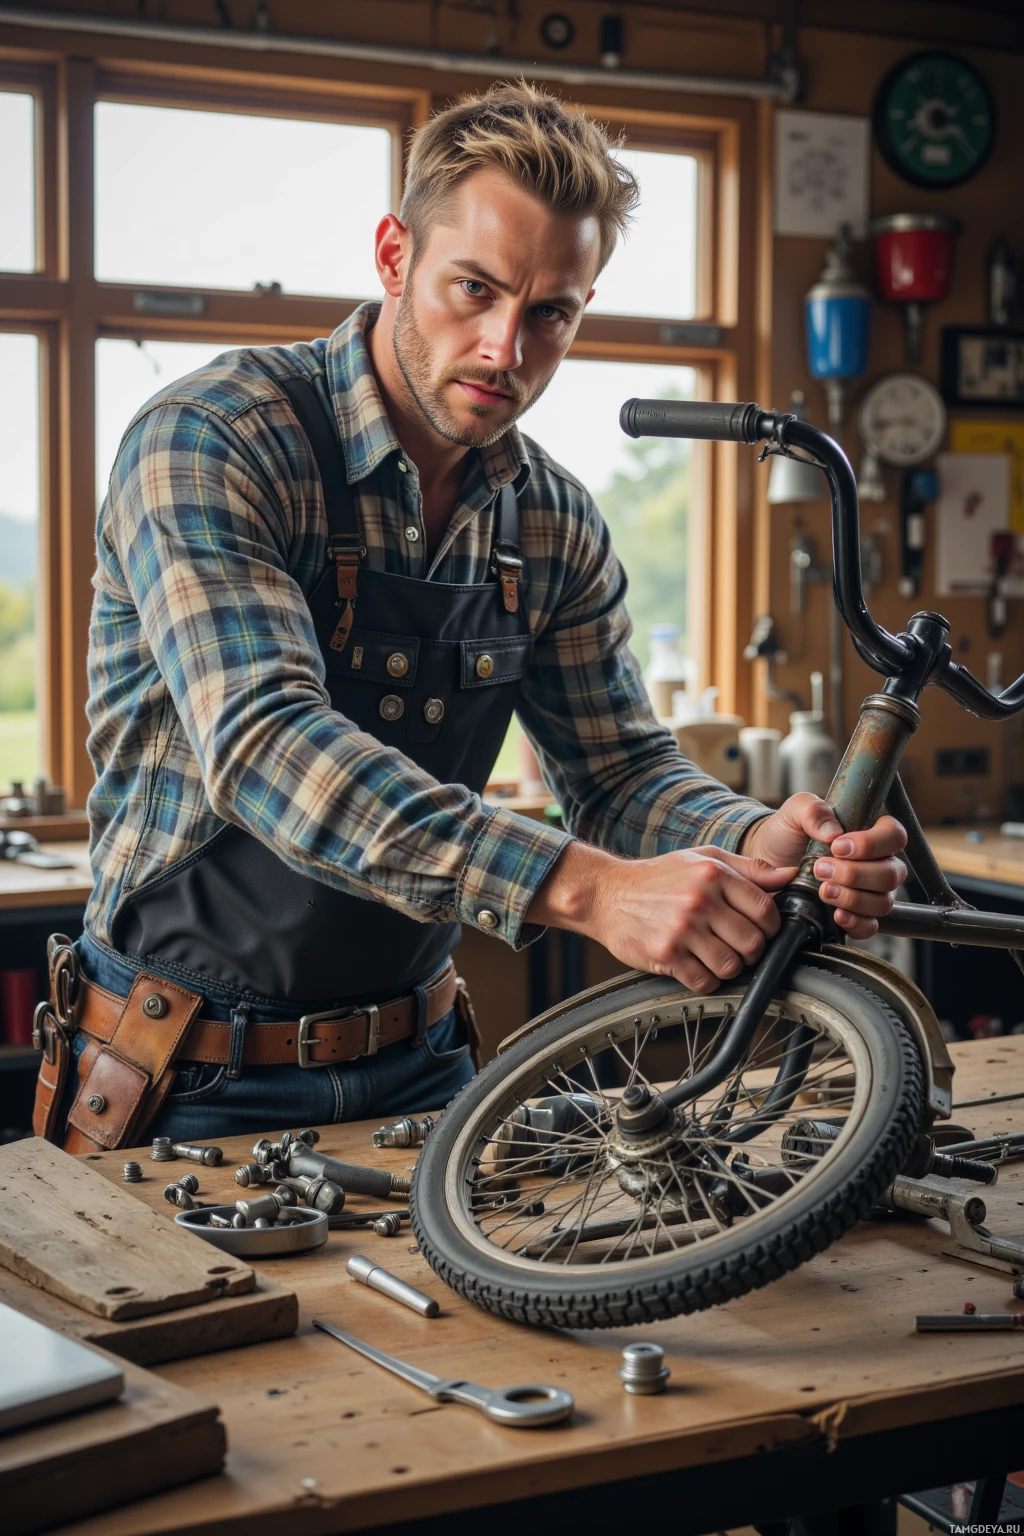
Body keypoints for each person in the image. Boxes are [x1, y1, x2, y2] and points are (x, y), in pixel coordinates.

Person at [33, 82, 906, 1152]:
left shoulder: (551, 521)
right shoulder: (215, 439)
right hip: (185, 1074)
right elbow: (264, 747)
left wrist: (750, 843)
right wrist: (581, 888)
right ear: (394, 255)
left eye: (550, 312)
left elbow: (620, 771)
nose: (505, 349)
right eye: (473, 290)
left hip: (427, 1068)